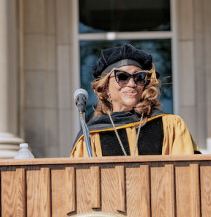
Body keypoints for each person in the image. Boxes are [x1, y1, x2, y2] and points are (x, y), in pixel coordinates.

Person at [70, 43, 199, 156]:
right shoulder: (91, 136)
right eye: (122, 76)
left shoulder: (169, 126)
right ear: (106, 88)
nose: (132, 83)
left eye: (139, 77)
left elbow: (189, 174)